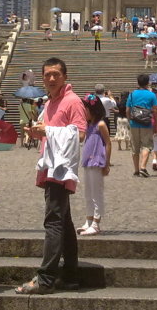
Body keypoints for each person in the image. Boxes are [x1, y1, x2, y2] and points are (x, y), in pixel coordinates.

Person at [16, 57, 87, 294]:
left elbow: (80, 134)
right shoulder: (49, 103)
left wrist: (48, 130)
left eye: (56, 74)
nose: (52, 78)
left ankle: (45, 278)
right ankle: (71, 275)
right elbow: (51, 133)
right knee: (64, 222)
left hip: (61, 167)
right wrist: (37, 132)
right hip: (51, 164)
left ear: (65, 76)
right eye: (47, 74)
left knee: (53, 221)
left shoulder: (72, 101)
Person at [77, 94, 112, 236]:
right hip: (87, 161)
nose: (83, 112)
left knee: (97, 193)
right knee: (88, 193)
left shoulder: (101, 124)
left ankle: (96, 222)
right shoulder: (88, 125)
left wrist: (107, 163)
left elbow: (108, 143)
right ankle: (89, 219)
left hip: (97, 161)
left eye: (85, 109)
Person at [125, 73, 157, 177]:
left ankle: (136, 169)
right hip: (146, 123)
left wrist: (129, 120)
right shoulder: (151, 95)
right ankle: (143, 167)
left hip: (134, 123)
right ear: (147, 83)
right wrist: (156, 125)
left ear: (138, 82)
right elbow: (156, 110)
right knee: (146, 145)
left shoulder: (132, 94)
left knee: (135, 148)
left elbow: (128, 110)